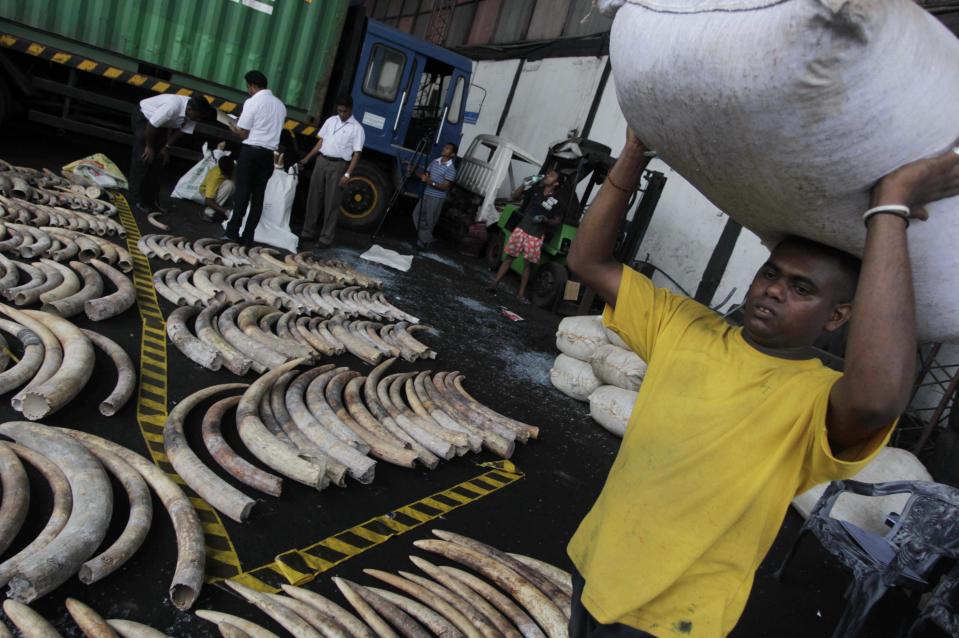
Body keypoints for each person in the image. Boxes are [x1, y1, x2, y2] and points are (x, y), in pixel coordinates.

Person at [564, 127, 959, 638]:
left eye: (800, 288)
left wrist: (889, 209)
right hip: (595, 562)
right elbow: (587, 261)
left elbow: (880, 396)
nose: (772, 290)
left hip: (675, 618)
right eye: (770, 273)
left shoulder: (815, 397)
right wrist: (634, 153)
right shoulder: (684, 325)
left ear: (837, 317)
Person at [222, 70, 286, 245]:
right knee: (258, 197)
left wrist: (233, 128)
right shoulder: (281, 106)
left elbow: (244, 133)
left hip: (250, 152)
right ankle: (248, 236)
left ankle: (232, 233)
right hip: (268, 156)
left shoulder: (252, 102)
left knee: (242, 193)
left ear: (251, 86)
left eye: (248, 87)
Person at [297, 96, 365, 253]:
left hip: (338, 165)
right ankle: (308, 232)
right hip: (322, 161)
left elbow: (356, 154)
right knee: (313, 197)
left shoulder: (357, 128)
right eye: (339, 110)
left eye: (344, 111)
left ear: (351, 109)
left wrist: (347, 175)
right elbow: (321, 142)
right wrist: (307, 158)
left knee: (332, 203)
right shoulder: (330, 121)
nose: (341, 114)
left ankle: (326, 238)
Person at [487, 169, 564, 302]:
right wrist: (523, 185)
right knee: (509, 258)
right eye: (548, 174)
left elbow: (557, 220)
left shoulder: (557, 201)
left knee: (528, 266)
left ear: (556, 183)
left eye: (551, 175)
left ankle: (521, 294)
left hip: (536, 235)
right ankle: (494, 284)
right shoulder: (535, 190)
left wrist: (545, 220)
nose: (546, 176)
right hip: (522, 229)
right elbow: (515, 197)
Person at [128, 94, 213, 215]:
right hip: (145, 119)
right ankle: (135, 200)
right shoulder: (172, 106)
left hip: (162, 124)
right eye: (198, 117)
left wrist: (166, 147)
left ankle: (151, 201)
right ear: (190, 110)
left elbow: (182, 131)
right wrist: (149, 147)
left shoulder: (194, 114)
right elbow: (151, 126)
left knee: (158, 162)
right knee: (144, 159)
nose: (198, 120)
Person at [411, 142, 458, 250]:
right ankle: (428, 240)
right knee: (416, 215)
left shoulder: (451, 169)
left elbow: (444, 186)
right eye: (444, 147)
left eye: (447, 148)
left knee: (429, 221)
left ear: (452, 155)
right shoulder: (434, 162)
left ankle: (421, 244)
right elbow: (426, 176)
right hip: (426, 193)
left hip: (437, 197)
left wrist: (429, 181)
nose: (444, 148)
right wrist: (415, 172)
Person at [200, 152, 235, 222]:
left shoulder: (234, 169)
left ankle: (224, 207)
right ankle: (208, 213)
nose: (225, 175)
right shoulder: (215, 177)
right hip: (206, 194)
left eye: (228, 173)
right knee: (229, 185)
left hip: (221, 189)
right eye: (224, 173)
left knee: (235, 185)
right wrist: (226, 212)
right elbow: (208, 200)